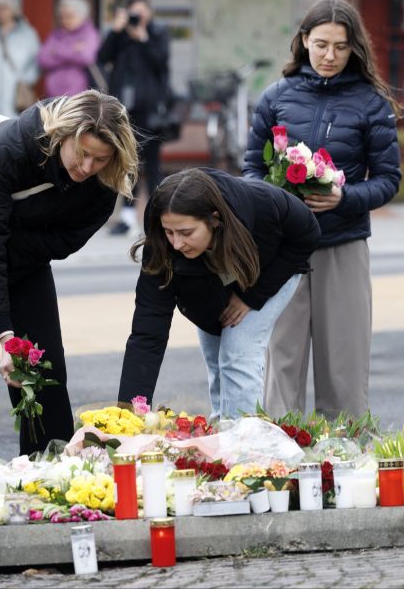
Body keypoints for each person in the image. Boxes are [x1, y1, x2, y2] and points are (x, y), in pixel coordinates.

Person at [0, 90, 139, 476]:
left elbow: (63, 242)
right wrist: (6, 337)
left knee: (40, 361)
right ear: (62, 135)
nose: (87, 167)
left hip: (20, 249)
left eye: (100, 159)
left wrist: (5, 222)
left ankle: (49, 470)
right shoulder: (11, 148)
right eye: (81, 153)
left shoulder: (105, 184)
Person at [243, 0, 403, 419]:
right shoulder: (275, 97)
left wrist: (343, 199)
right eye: (321, 44)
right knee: (281, 361)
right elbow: (252, 168)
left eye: (341, 47)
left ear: (354, 48)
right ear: (303, 41)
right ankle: (280, 450)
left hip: (343, 244)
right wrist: (273, 199)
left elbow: (388, 179)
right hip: (284, 248)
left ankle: (348, 453)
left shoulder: (371, 103)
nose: (330, 55)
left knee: (344, 366)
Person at [117, 168, 320, 419]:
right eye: (169, 232)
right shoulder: (161, 247)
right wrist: (128, 415)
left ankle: (242, 439)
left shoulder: (262, 203)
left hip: (270, 271)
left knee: (237, 352)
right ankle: (221, 431)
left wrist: (252, 296)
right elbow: (148, 331)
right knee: (217, 360)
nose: (176, 244)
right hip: (209, 282)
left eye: (186, 233)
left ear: (214, 219)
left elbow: (308, 233)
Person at [97, 0, 171, 235]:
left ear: (150, 13)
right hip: (125, 109)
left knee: (153, 165)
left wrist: (144, 39)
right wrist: (116, 31)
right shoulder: (121, 35)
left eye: (141, 11)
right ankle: (128, 218)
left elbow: (161, 63)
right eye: (133, 12)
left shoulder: (157, 34)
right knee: (129, 162)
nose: (137, 16)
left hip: (151, 109)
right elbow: (102, 57)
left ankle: (159, 217)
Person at [38, 0, 100, 98]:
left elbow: (86, 57)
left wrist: (56, 52)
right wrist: (73, 50)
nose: (64, 20)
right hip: (53, 93)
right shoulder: (55, 34)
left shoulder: (89, 33)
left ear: (82, 16)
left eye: (69, 16)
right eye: (62, 17)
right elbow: (43, 59)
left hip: (78, 93)